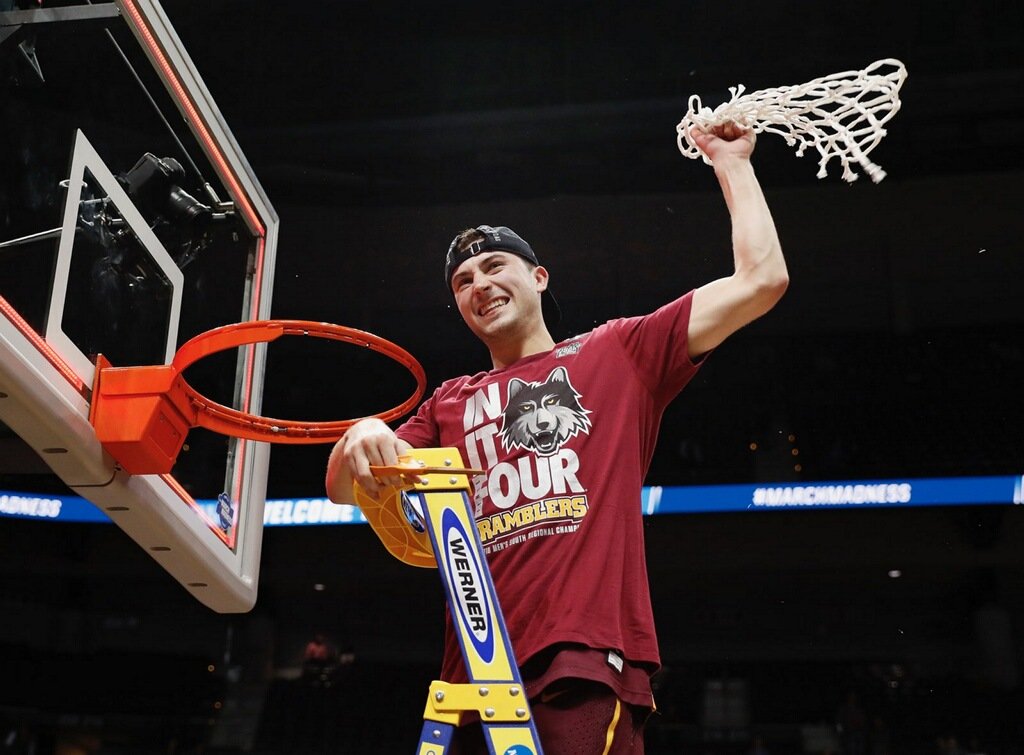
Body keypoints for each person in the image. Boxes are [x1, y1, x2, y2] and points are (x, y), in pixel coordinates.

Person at [326, 122, 787, 754]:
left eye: (494, 266)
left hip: (580, 662)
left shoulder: (616, 352)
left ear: (539, 277)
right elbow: (343, 490)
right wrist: (363, 434)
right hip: (471, 681)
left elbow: (761, 281)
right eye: (462, 281)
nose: (479, 284)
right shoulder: (446, 403)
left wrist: (732, 163)